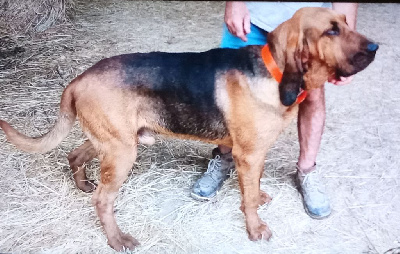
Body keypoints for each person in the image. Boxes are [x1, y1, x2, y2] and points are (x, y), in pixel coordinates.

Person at [191, 2, 358, 219]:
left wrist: (348, 49)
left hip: (314, 24)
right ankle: (224, 159)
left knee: (313, 96)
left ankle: (307, 170)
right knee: (233, 88)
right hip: (255, 15)